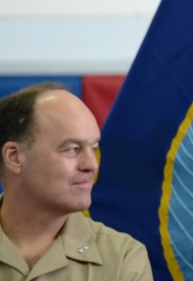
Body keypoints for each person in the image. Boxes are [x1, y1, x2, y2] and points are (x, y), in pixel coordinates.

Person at [0, 83, 154, 281]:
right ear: (14, 157)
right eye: (72, 149)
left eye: (94, 148)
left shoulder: (122, 258)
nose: (92, 165)